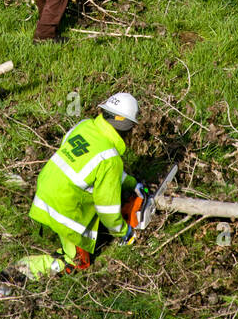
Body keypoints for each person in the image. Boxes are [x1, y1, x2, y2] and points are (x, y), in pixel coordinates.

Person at [13, 93, 145, 279]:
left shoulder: (84, 126)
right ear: (128, 126)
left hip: (44, 190)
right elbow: (106, 210)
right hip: (64, 208)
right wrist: (125, 233)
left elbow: (90, 165)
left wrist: (131, 184)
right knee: (77, 262)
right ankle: (21, 271)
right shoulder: (111, 159)